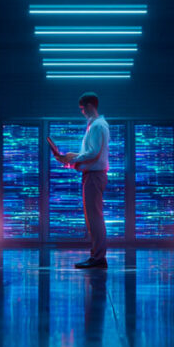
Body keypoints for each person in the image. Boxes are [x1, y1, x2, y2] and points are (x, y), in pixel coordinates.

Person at [54, 92, 110, 269]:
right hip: (93, 175)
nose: (82, 112)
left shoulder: (97, 126)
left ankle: (98, 258)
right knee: (93, 217)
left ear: (89, 106)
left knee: (94, 218)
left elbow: (94, 153)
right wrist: (73, 157)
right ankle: (97, 256)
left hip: (94, 175)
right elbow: (92, 153)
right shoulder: (96, 125)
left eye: (82, 108)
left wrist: (72, 160)